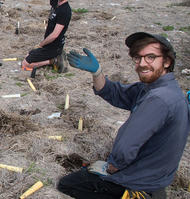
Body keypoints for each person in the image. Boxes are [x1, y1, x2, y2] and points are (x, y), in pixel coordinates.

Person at [58, 32, 190, 199]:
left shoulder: (158, 99)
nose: (142, 64)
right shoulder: (157, 88)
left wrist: (113, 166)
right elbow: (115, 92)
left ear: (167, 61)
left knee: (69, 185)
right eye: (138, 58)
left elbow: (128, 143)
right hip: (155, 176)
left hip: (140, 181)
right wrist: (97, 72)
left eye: (150, 57)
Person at [20, 0, 77, 73]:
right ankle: (52, 57)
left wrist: (40, 45)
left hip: (53, 46)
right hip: (49, 44)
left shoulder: (65, 11)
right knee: (28, 54)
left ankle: (54, 60)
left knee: (25, 65)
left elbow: (55, 35)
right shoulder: (56, 1)